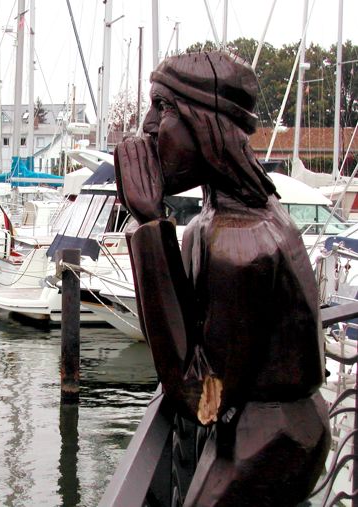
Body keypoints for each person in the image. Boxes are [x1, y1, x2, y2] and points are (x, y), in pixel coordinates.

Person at [114, 51, 330, 506]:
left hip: (271, 443)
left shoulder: (242, 242)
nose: (148, 127)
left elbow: (201, 398)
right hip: (258, 426)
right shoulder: (215, 223)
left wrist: (151, 226)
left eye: (164, 107)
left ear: (207, 125)